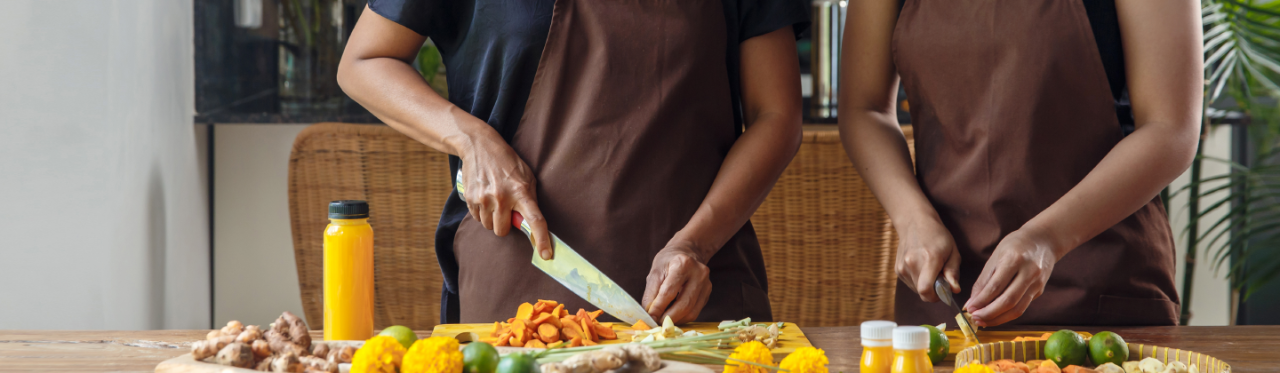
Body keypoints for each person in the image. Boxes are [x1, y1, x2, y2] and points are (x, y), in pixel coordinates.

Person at [337, 0, 808, 324]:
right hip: (517, 294)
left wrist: (695, 245)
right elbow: (365, 60)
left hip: (698, 293)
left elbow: (777, 115)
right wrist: (472, 140)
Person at [839, 0, 1202, 327]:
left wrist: (1048, 237)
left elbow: (1171, 128)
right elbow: (864, 109)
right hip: (946, 293)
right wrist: (913, 219)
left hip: (1098, 285)